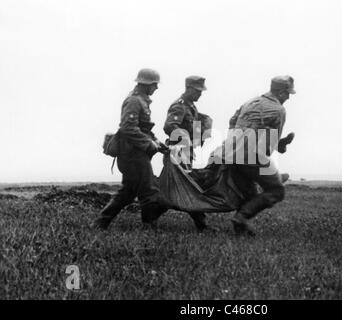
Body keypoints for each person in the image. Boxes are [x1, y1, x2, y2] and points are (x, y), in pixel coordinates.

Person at [211, 76, 296, 236]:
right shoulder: (278, 110)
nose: (288, 97)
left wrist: (236, 141)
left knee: (250, 194)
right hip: (250, 156)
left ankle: (241, 227)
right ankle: (241, 218)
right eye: (287, 93)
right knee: (276, 191)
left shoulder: (250, 102)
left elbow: (232, 121)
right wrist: (281, 145)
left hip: (229, 152)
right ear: (280, 92)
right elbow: (268, 145)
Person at [92, 68, 169, 230]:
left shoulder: (142, 100)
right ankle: (149, 228)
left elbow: (144, 129)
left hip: (135, 153)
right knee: (149, 191)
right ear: (147, 84)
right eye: (155, 84)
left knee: (127, 192)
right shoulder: (134, 101)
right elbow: (128, 128)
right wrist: (149, 144)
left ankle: (100, 223)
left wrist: (158, 143)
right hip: (132, 154)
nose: (156, 88)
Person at [162, 76, 216, 232]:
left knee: (175, 188)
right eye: (198, 91)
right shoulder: (179, 106)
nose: (200, 94)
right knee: (188, 187)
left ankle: (149, 216)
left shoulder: (191, 106)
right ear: (190, 89)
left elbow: (194, 124)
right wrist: (186, 139)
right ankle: (202, 225)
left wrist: (203, 131)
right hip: (178, 152)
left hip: (186, 152)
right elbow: (169, 126)